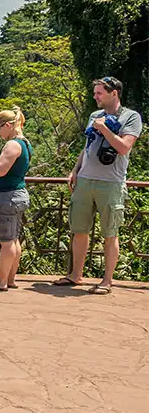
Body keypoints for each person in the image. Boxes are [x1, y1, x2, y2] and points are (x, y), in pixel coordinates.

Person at [55, 77, 141, 294]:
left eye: (99, 93)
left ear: (114, 93)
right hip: (85, 180)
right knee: (79, 230)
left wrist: (105, 129)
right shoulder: (95, 116)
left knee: (110, 233)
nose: (95, 97)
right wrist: (75, 170)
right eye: (95, 93)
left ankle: (107, 281)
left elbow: (123, 148)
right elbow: (87, 146)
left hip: (111, 183)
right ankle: (76, 275)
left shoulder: (131, 117)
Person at [0, 107, 32, 291]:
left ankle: (1, 280)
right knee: (13, 239)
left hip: (7, 197)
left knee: (6, 241)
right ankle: (10, 279)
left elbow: (0, 170)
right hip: (17, 194)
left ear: (8, 125)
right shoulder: (25, 143)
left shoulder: (12, 145)